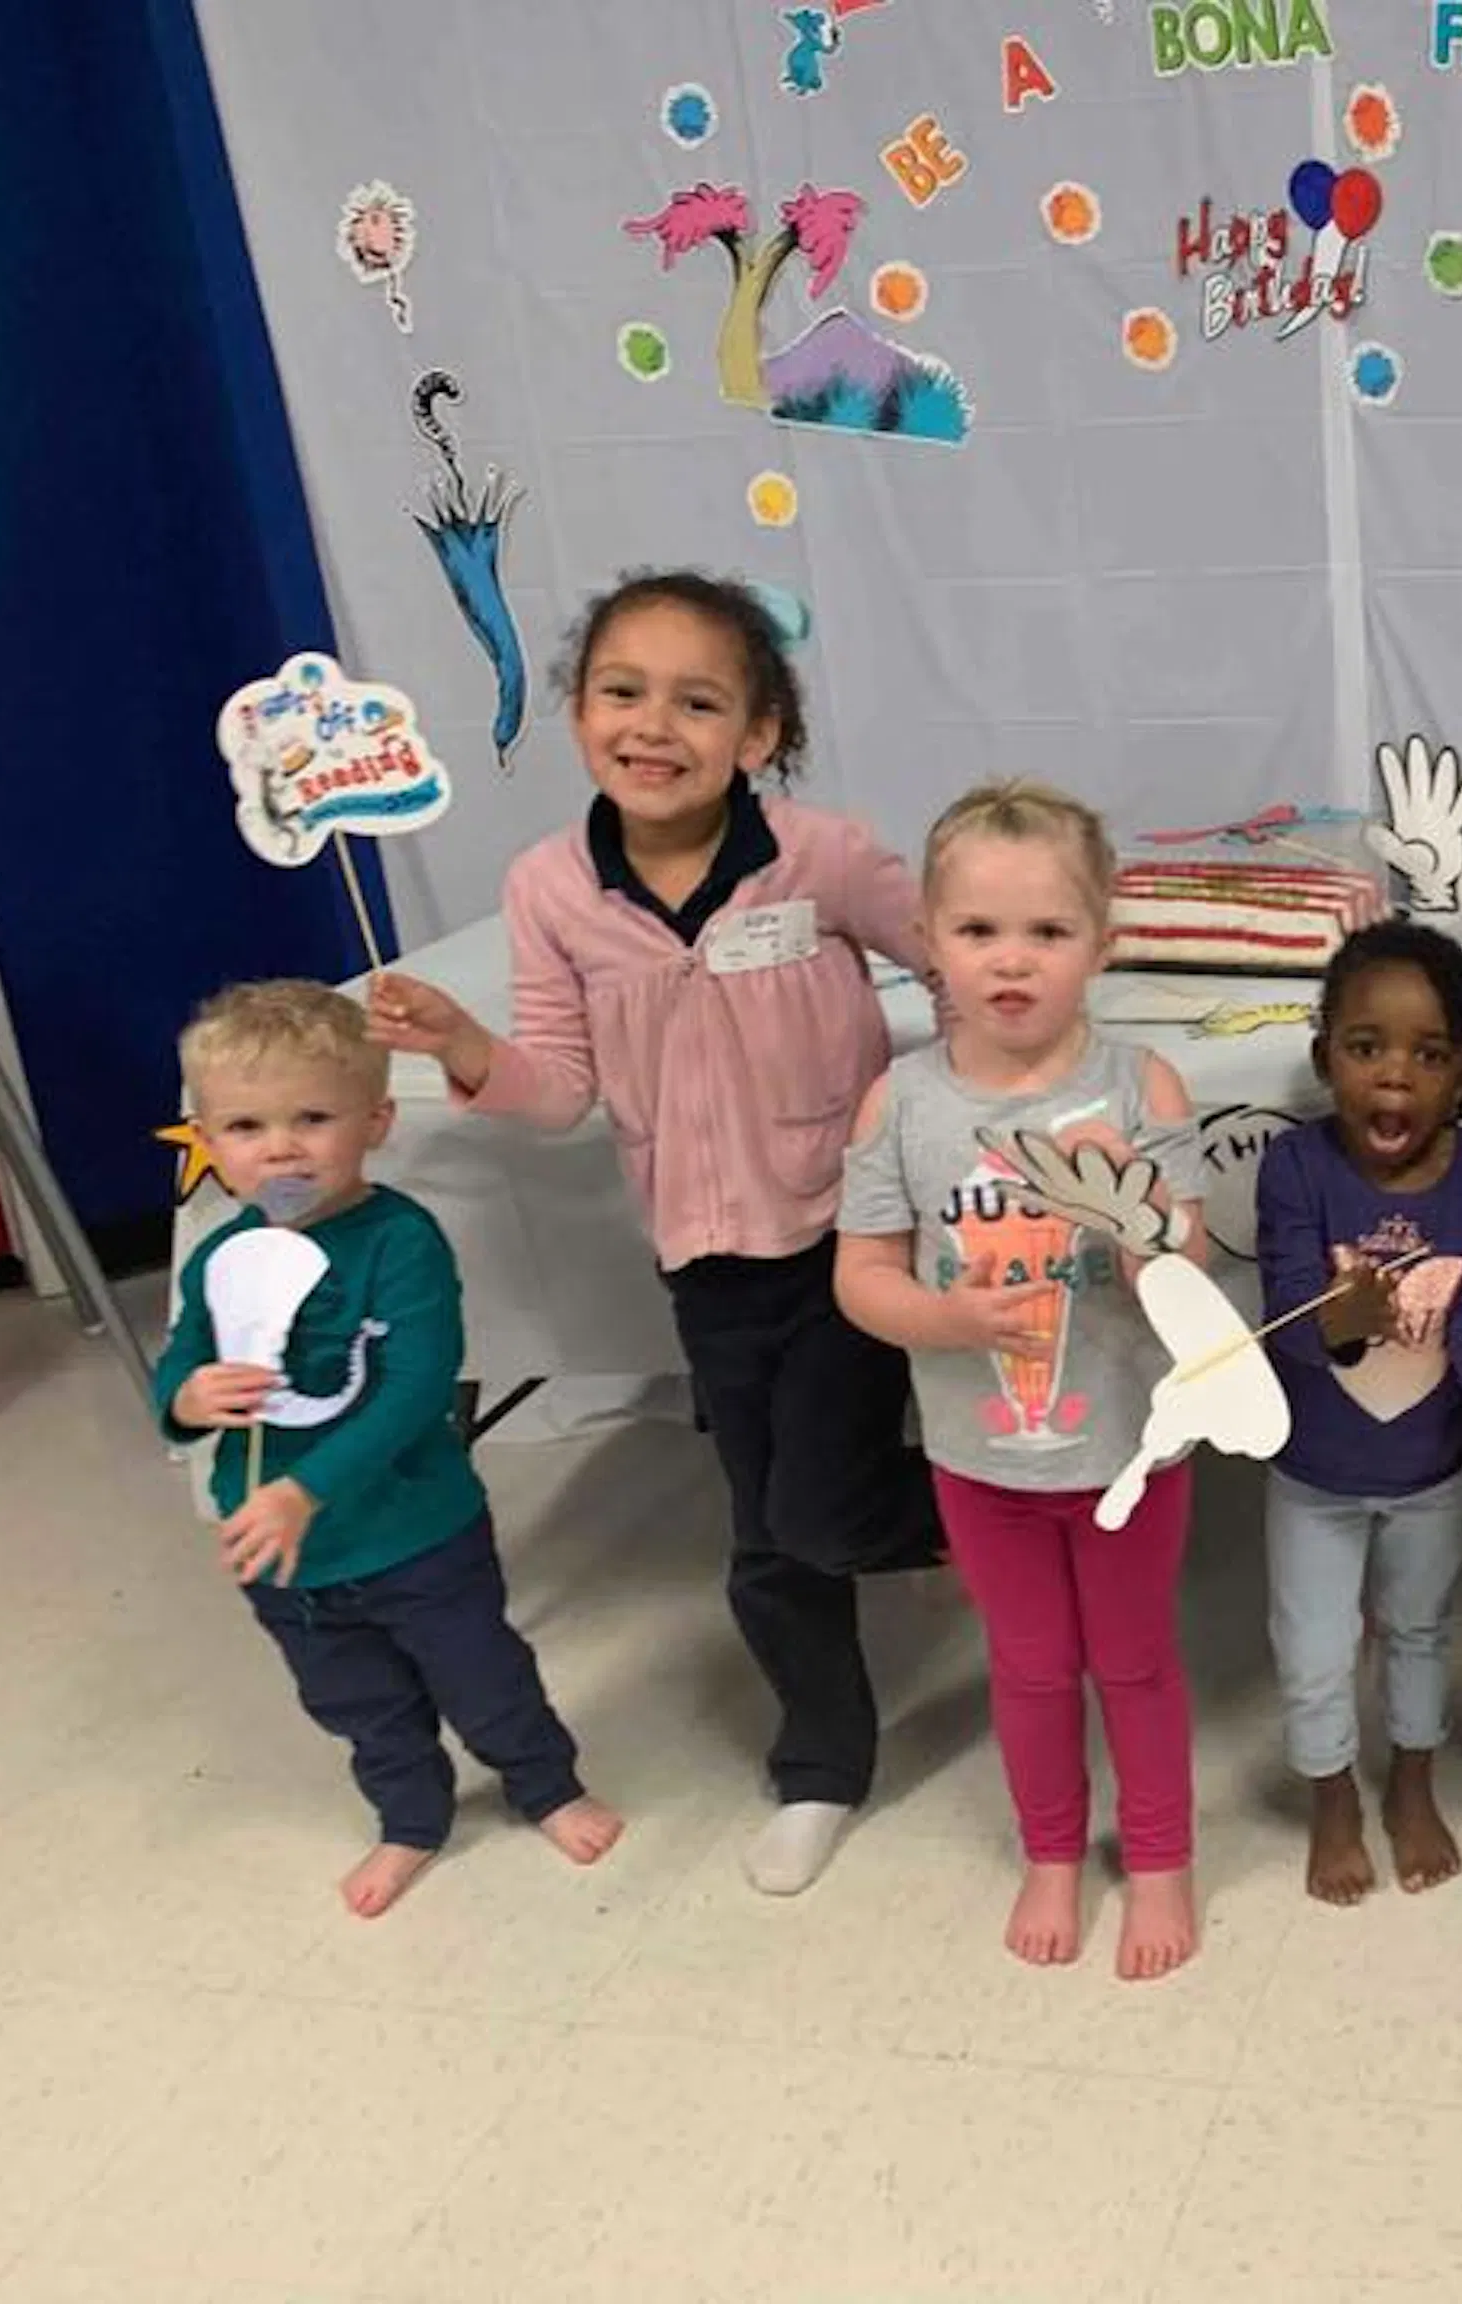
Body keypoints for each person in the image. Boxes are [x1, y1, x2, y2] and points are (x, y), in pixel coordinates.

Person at [367, 571, 939, 1899]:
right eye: (622, 691)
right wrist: (461, 1045)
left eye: (698, 702)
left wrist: (979, 1104)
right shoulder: (548, 888)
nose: (654, 725)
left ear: (758, 733)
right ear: (578, 712)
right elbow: (560, 1089)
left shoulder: (821, 854)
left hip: (852, 1234)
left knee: (814, 1508)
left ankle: (993, 1513)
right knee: (769, 1535)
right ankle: (824, 1767)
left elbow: (955, 966)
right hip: (703, 1259)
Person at [836, 781, 1213, 1982]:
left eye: (1048, 931)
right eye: (978, 930)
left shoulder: (1142, 1087)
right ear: (928, 942)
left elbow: (1188, 1270)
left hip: (1130, 1449)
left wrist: (1134, 1209)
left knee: (1136, 1661)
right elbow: (861, 1277)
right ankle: (1051, 1851)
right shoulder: (902, 1102)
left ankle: (1159, 1856)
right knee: (1032, 1665)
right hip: (978, 1456)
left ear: (1102, 942)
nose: (1012, 960)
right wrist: (943, 1318)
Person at [157, 981, 621, 1918]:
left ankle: (544, 1785)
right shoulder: (218, 1259)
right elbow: (181, 1361)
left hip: (416, 1533)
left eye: (313, 1118)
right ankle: (410, 1817)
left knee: (483, 1678)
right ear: (207, 1139)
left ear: (375, 1122)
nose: (281, 1148)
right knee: (354, 1701)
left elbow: (416, 1388)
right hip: (282, 1554)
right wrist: (186, 1400)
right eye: (245, 1126)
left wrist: (306, 1490)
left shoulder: (398, 1241)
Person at [1255, 921, 1462, 1905]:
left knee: (1418, 1628)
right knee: (1313, 1650)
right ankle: (1330, 1796)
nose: (1395, 1074)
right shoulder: (1294, 1165)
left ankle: (1411, 1782)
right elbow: (1287, 1310)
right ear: (1326, 1056)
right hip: (1311, 1473)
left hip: (1433, 1471)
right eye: (1367, 1048)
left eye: (1428, 1055)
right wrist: (1345, 1317)